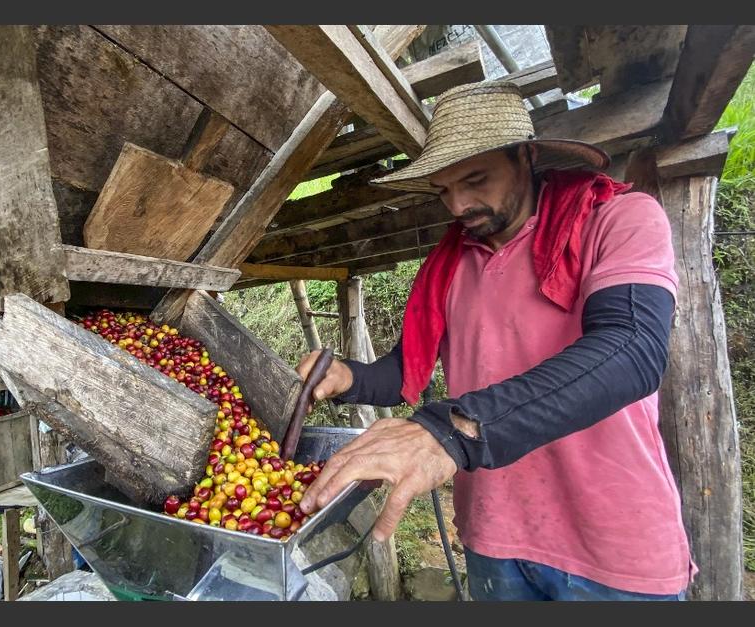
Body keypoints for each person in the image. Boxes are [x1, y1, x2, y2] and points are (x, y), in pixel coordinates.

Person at [295, 81, 695, 601]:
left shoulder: (618, 219)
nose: (459, 203)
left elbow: (632, 351)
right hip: (495, 536)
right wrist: (347, 377)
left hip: (614, 545)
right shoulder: (450, 266)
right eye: (443, 190)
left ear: (526, 156)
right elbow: (405, 373)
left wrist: (454, 432)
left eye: (476, 179)